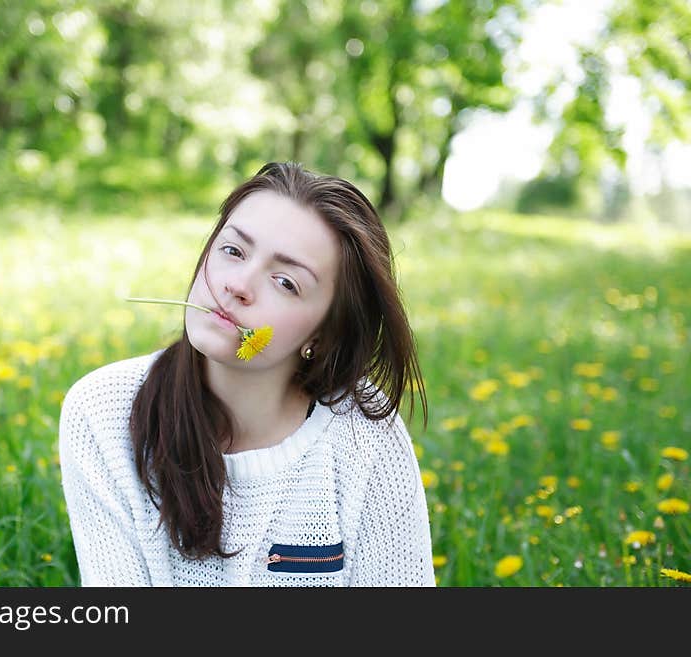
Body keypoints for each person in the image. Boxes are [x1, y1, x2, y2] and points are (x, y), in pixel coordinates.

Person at [58, 161, 435, 586]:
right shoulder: (104, 412)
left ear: (324, 335)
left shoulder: (363, 437)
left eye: (285, 282)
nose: (238, 284)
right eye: (233, 251)